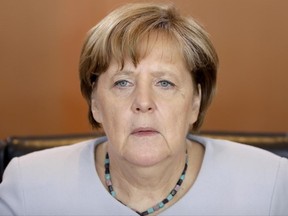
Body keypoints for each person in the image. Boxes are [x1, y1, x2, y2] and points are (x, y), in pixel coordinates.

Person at [0, 2, 287, 215]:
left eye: (165, 83)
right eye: (123, 82)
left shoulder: (270, 183)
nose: (143, 103)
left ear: (195, 102)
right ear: (95, 103)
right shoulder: (29, 185)